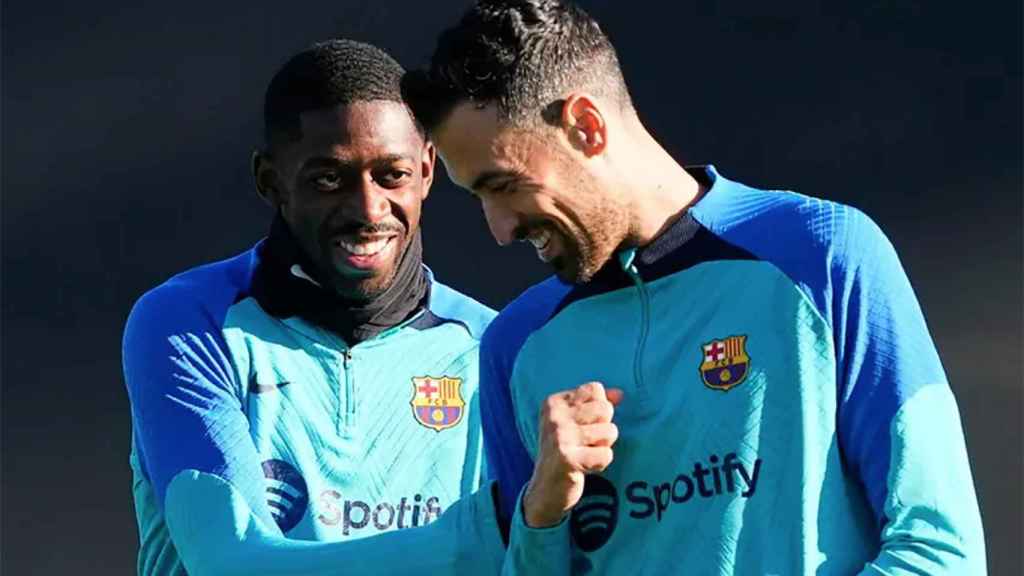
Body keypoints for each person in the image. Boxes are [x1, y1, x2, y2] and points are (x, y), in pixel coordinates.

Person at [403, 1, 987, 573]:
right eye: (477, 197)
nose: (500, 230)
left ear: (586, 127)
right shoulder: (515, 345)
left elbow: (939, 548)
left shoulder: (824, 255)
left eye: (504, 184)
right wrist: (542, 514)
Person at [122, 39, 505, 576]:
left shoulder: (491, 345)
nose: (368, 210)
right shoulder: (189, 323)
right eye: (329, 179)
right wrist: (486, 535)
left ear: (427, 170)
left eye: (391, 175)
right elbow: (232, 562)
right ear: (269, 181)